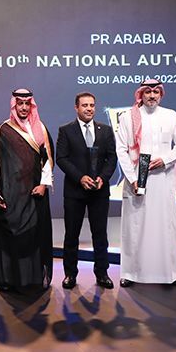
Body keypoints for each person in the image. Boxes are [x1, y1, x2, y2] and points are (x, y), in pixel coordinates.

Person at [114, 78, 176, 287]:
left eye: (156, 92)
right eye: (148, 92)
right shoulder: (129, 117)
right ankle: (130, 273)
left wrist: (165, 160)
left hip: (164, 179)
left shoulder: (171, 115)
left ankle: (169, 274)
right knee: (135, 226)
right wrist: (132, 178)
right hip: (137, 180)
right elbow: (121, 149)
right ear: (141, 94)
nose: (152, 96)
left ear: (161, 95)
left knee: (166, 226)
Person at [0, 88, 55, 292]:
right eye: (20, 104)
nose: (24, 108)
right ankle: (10, 280)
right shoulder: (2, 130)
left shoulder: (41, 129)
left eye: (27, 104)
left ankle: (33, 279)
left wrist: (44, 185)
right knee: (11, 237)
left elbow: (48, 162)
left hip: (35, 194)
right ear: (14, 105)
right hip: (11, 195)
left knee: (35, 236)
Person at [56, 92, 117, 290]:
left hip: (99, 191)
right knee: (71, 235)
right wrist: (80, 178)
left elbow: (111, 158)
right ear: (76, 107)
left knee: (100, 235)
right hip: (75, 192)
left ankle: (102, 273)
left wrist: (103, 178)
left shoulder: (106, 130)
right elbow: (62, 158)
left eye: (92, 105)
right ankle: (70, 275)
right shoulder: (66, 130)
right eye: (85, 105)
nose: (89, 108)